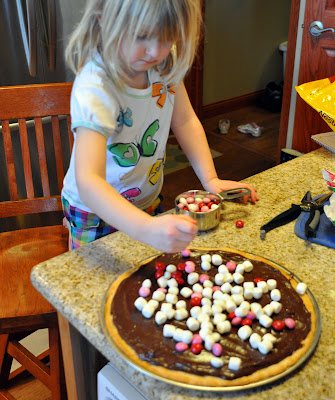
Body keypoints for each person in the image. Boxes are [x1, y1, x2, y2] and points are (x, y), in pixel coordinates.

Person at [61, 0, 259, 253]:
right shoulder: (96, 87)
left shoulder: (163, 64)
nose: (155, 51)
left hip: (146, 201)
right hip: (96, 212)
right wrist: (145, 228)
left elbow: (185, 120)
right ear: (104, 21)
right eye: (142, 36)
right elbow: (89, 181)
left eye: (168, 39)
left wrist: (210, 179)